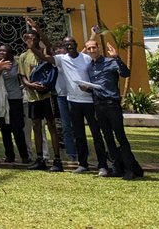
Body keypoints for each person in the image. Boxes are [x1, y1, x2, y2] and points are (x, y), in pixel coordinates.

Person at [47, 28, 109, 175]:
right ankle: (83, 164)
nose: (69, 46)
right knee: (79, 133)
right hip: (73, 101)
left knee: (96, 133)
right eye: (66, 44)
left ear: (76, 44)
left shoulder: (86, 58)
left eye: (71, 43)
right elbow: (47, 52)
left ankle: (102, 165)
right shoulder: (62, 59)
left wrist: (91, 90)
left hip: (90, 101)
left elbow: (95, 73)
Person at [89, 37, 144, 181]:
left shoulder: (110, 62)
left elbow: (125, 73)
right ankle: (117, 168)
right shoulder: (90, 66)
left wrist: (117, 57)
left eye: (94, 47)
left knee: (120, 137)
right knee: (108, 138)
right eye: (89, 48)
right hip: (98, 105)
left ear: (99, 48)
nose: (91, 50)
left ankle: (130, 169)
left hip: (112, 104)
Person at [18, 21, 65, 172]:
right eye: (27, 39)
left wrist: (37, 28)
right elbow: (23, 77)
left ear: (38, 39)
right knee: (36, 126)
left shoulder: (46, 52)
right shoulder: (23, 56)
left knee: (51, 125)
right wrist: (31, 85)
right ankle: (40, 159)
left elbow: (48, 43)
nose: (30, 40)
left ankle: (57, 159)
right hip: (32, 97)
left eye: (33, 38)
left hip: (47, 96)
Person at [0, 43, 31, 164]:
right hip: (1, 100)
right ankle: (9, 156)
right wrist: (0, 68)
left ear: (10, 54)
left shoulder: (16, 64)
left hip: (15, 99)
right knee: (4, 128)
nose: (1, 53)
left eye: (4, 51)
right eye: (0, 51)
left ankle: (24, 156)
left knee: (17, 128)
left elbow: (23, 77)